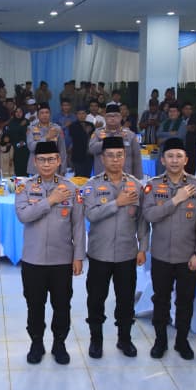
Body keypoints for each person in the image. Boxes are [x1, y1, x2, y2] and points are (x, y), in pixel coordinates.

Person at [15, 140, 85, 365]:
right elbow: (24, 216)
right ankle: (36, 343)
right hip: (33, 259)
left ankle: (59, 343)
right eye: (42, 160)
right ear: (35, 162)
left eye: (51, 159)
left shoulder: (71, 188)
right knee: (34, 305)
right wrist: (51, 200)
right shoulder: (24, 187)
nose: (47, 164)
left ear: (59, 160)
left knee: (62, 305)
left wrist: (78, 256)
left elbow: (78, 225)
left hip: (61, 260)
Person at [142, 137, 196, 360]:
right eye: (170, 156)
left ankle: (182, 341)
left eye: (178, 156)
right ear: (162, 160)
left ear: (186, 159)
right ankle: (160, 340)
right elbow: (149, 215)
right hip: (161, 255)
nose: (174, 160)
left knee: (185, 301)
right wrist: (175, 200)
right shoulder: (153, 185)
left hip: (188, 256)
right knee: (160, 300)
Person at [83, 136, 146, 358]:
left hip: (127, 253)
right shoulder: (92, 186)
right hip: (99, 253)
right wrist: (117, 203)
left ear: (125, 157)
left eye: (119, 155)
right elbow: (91, 214)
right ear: (102, 158)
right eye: (110, 155)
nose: (115, 159)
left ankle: (124, 339)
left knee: (125, 300)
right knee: (96, 299)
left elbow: (142, 221)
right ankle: (96, 340)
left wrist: (142, 248)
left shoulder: (136, 185)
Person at [89, 103, 143, 177]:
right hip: (103, 178)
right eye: (109, 116)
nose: (112, 118)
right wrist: (108, 140)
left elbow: (137, 157)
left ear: (120, 117)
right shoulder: (98, 133)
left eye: (115, 116)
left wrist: (138, 178)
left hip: (125, 177)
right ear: (105, 118)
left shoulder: (130, 135)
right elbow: (91, 149)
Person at [25, 103, 66, 175]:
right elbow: (31, 147)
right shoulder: (31, 128)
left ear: (50, 114)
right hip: (36, 169)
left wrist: (62, 170)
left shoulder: (57, 129)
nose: (45, 115)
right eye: (42, 113)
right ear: (38, 115)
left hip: (53, 168)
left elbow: (62, 151)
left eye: (47, 112)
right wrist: (46, 138)